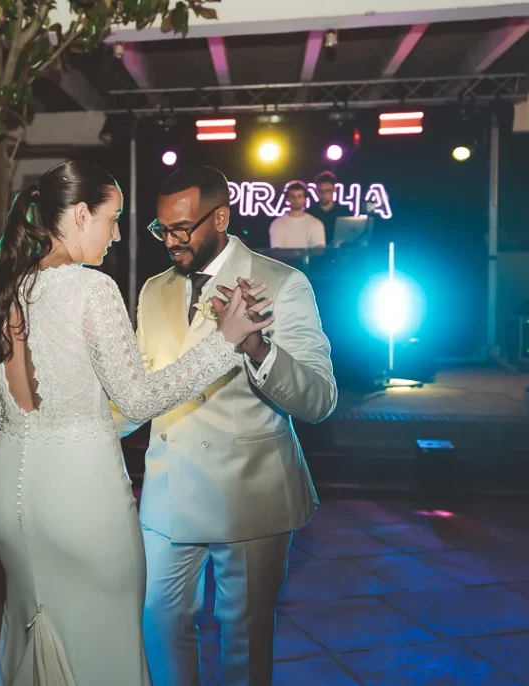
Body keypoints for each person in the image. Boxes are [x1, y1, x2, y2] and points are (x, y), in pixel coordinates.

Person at [0, 160, 273, 686]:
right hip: (81, 495)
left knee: (29, 629)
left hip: (8, 492)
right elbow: (139, 398)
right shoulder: (91, 290)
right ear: (81, 215)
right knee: (104, 650)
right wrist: (226, 341)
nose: (116, 234)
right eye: (113, 218)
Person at [121, 164, 337, 686]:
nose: (170, 241)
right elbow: (146, 386)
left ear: (220, 218)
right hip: (170, 489)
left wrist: (256, 347)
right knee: (158, 617)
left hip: (249, 490)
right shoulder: (153, 291)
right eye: (161, 229)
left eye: (182, 228)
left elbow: (320, 398)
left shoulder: (282, 283)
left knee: (243, 631)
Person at [268, 180, 327, 250]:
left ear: (305, 199)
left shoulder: (316, 224)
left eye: (299, 196)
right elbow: (276, 252)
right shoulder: (277, 224)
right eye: (292, 196)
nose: (296, 199)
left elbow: (319, 251)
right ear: (288, 199)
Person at [307, 170, 353, 245]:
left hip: (339, 255)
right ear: (316, 191)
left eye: (327, 191)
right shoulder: (309, 214)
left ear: (335, 190)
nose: (323, 194)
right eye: (320, 191)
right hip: (315, 255)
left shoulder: (345, 213)